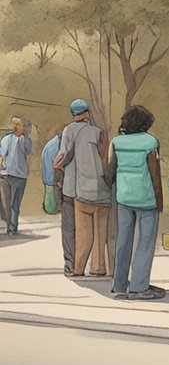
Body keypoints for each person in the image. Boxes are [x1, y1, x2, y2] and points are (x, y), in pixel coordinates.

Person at [104, 105, 165, 300]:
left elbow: (109, 172)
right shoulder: (151, 142)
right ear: (146, 123)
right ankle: (139, 286)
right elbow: (155, 174)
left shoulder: (116, 142)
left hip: (123, 197)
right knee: (145, 243)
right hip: (146, 198)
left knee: (123, 241)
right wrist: (159, 201)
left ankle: (120, 284)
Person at [71, 112, 113, 280]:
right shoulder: (100, 134)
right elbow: (105, 160)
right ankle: (98, 267)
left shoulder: (73, 133)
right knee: (101, 232)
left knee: (83, 233)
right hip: (102, 190)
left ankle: (78, 267)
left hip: (82, 189)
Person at [55, 99, 91, 276]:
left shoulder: (67, 130)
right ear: (87, 113)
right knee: (88, 227)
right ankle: (87, 264)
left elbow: (62, 156)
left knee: (69, 228)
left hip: (70, 187)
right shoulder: (95, 131)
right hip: (90, 188)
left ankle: (70, 265)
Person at [0, 117, 32, 236]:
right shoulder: (7, 139)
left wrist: (24, 138)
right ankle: (9, 227)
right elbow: (2, 154)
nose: (16, 127)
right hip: (8, 174)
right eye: (15, 124)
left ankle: (14, 227)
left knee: (16, 203)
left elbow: (28, 151)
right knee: (7, 203)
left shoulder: (26, 140)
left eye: (19, 124)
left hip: (21, 175)